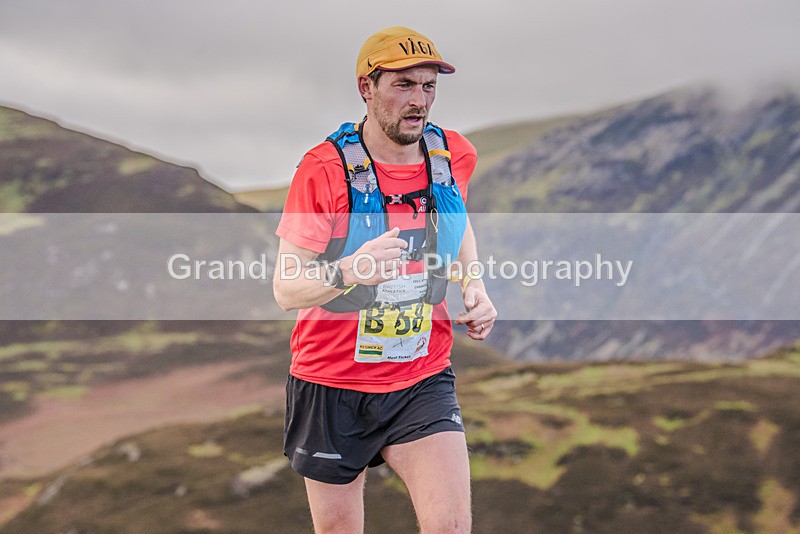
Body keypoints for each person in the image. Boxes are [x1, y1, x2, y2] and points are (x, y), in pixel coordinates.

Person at [273, 26, 496, 534]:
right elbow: (286, 288)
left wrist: (474, 285)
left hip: (422, 378)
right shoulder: (323, 170)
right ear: (366, 88)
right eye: (403, 85)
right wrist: (351, 269)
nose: (419, 101)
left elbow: (457, 223)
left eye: (428, 86)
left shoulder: (451, 154)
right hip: (330, 385)